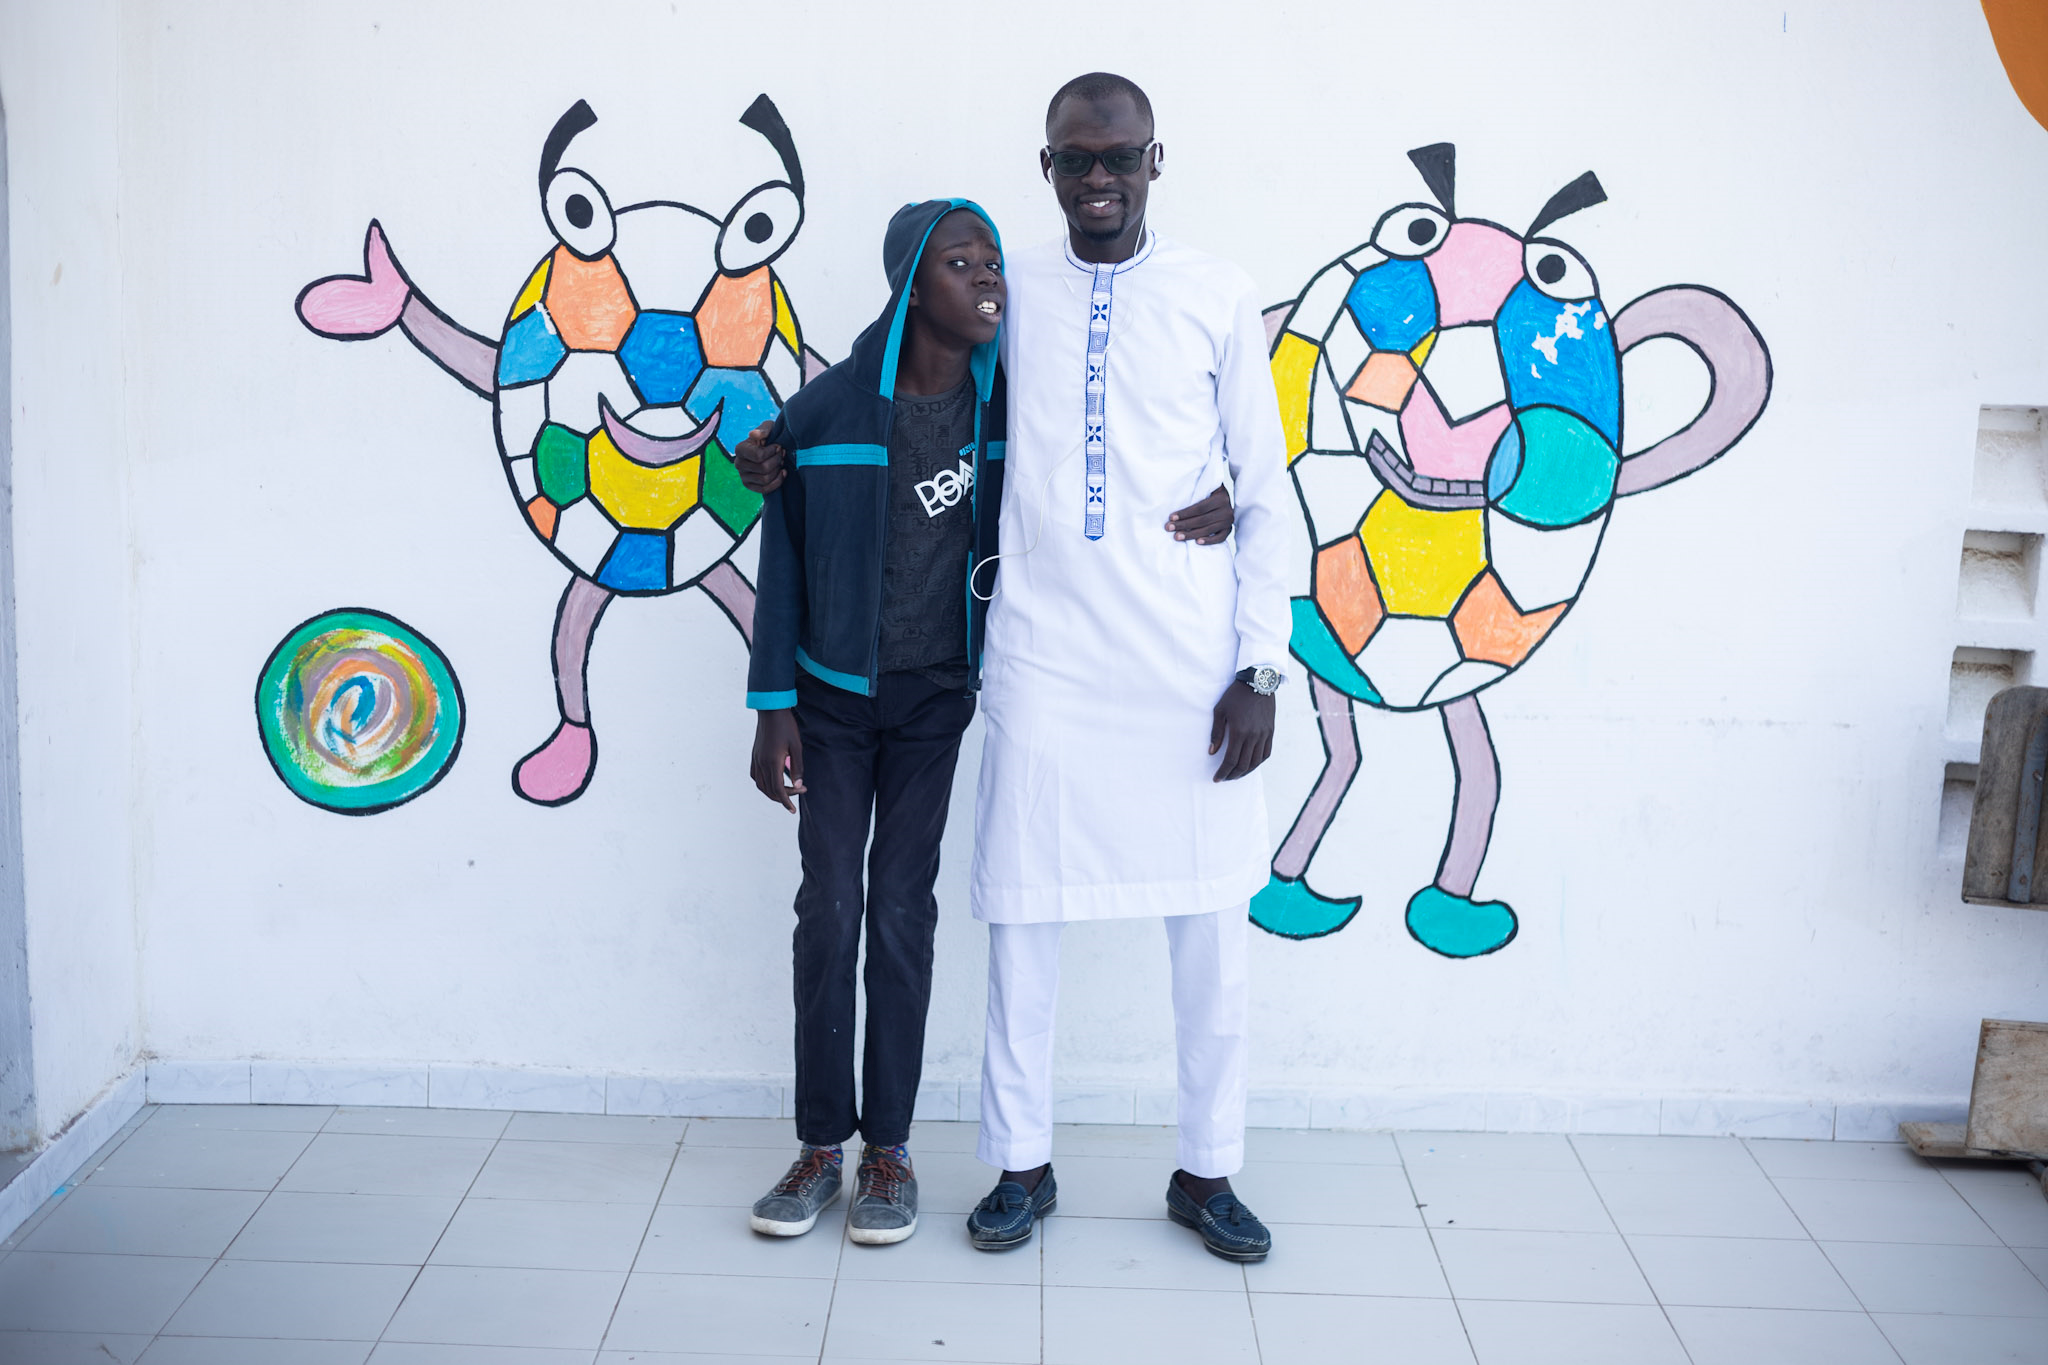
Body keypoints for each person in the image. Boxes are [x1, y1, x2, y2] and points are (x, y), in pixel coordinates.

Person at [738, 199, 1235, 1246]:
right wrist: (772, 704)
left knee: (898, 909)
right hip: (829, 702)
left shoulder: (1004, 407)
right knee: (828, 906)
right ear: (912, 286)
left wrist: (1223, 489)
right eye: (962, 265)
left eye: (994, 263)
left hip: (934, 702)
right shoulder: (828, 410)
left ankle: (889, 1151)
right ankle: (820, 1146)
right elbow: (778, 543)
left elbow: (1113, 453)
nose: (989, 281)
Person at [959, 72, 1298, 1263]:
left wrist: (1260, 670)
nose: (1096, 177)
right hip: (1044, 657)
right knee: (1020, 919)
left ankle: (1207, 1172)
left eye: (1118, 156)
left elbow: (1265, 488)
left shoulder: (1215, 293)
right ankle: (1019, 1164)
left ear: (1157, 160)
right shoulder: (1005, 290)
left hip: (1186, 670)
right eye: (1075, 158)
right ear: (1045, 166)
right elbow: (909, 383)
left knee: (1210, 936)